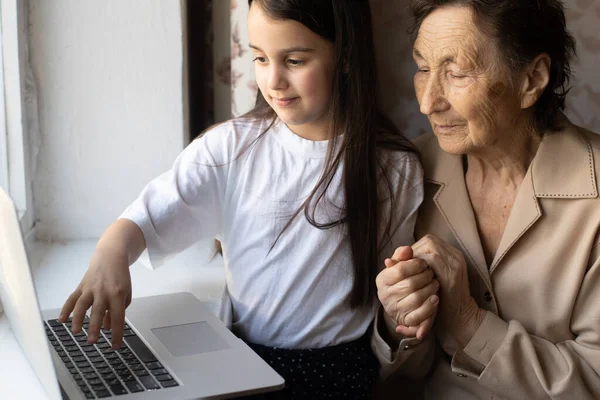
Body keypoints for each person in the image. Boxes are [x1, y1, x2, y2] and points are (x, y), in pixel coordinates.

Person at [58, 0, 432, 398]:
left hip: (340, 374)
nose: (273, 81)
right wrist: (110, 253)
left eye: (294, 60)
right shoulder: (228, 149)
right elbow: (146, 218)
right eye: (259, 58)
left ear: (344, 57)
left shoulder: (395, 169)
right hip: (245, 361)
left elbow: (392, 296)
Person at [373, 0, 600, 399]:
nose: (428, 103)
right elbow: (402, 372)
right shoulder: (408, 169)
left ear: (532, 80)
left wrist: (469, 324)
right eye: (423, 69)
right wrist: (400, 323)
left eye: (457, 74)